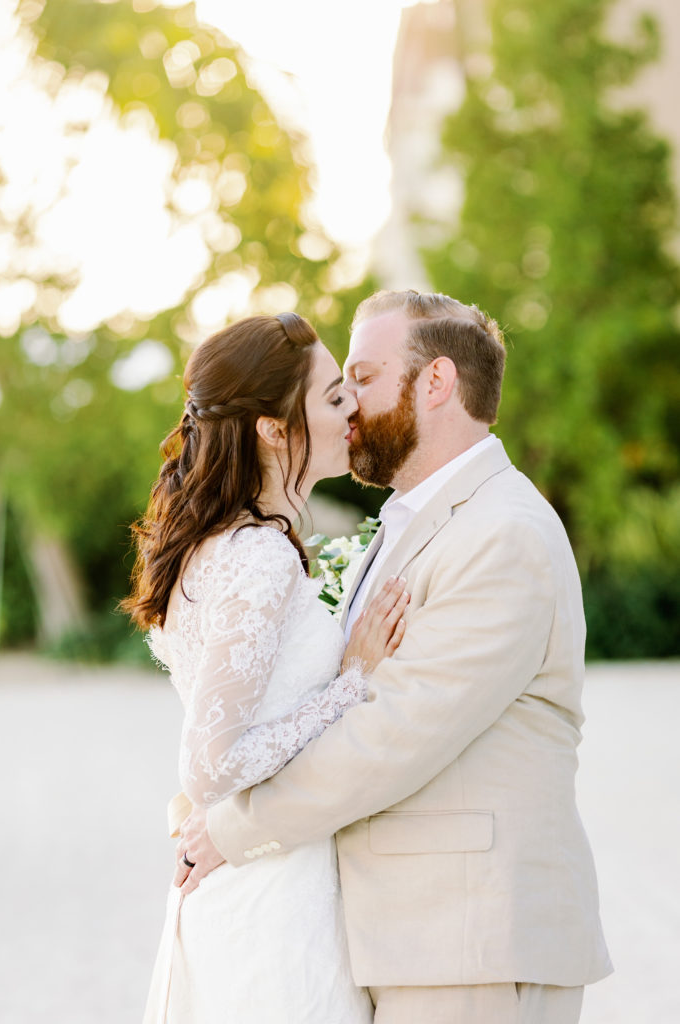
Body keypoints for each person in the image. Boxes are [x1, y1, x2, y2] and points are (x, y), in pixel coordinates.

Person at [180, 290, 613, 1024]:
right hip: (402, 939)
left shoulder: (501, 533)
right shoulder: (407, 525)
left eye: (364, 377)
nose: (348, 406)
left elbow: (396, 733)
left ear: (435, 382)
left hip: (471, 942)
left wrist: (233, 829)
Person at [124, 312, 411, 1023]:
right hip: (271, 895)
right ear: (273, 428)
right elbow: (210, 767)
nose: (351, 407)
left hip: (265, 869)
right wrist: (350, 683)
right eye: (330, 396)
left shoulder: (224, 544)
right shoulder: (257, 556)